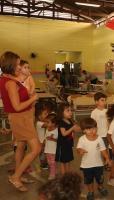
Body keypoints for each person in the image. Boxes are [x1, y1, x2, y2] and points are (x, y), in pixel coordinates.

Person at [0, 51, 40, 192]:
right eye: (17, 64)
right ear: (10, 64)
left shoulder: (8, 78)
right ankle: (16, 177)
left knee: (21, 146)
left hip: (22, 117)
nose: (19, 66)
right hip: (21, 117)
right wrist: (32, 99)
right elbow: (16, 107)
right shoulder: (10, 82)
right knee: (36, 149)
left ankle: (19, 173)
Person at [77, 118, 111, 200]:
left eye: (94, 128)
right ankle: (91, 191)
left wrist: (107, 158)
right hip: (86, 166)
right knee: (89, 180)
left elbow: (103, 149)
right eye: (89, 129)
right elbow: (78, 149)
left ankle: (100, 187)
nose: (92, 130)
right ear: (84, 130)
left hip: (98, 164)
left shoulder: (99, 139)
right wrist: (80, 151)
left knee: (100, 179)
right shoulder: (82, 139)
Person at [55, 103, 80, 175]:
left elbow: (75, 130)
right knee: (63, 162)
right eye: (67, 111)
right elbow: (64, 133)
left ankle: (68, 175)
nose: (70, 112)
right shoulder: (61, 122)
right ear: (61, 113)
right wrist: (72, 128)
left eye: (70, 110)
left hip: (68, 144)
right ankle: (64, 176)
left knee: (68, 160)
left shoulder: (70, 121)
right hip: (62, 145)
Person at [35, 103, 50, 170]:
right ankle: (43, 164)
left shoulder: (43, 122)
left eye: (47, 113)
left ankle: (46, 162)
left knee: (46, 152)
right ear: (39, 116)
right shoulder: (39, 123)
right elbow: (48, 125)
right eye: (45, 114)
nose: (47, 115)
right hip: (41, 141)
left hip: (45, 141)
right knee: (42, 153)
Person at [44, 113, 58, 180]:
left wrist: (52, 139)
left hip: (53, 150)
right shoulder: (47, 129)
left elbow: (58, 141)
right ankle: (54, 171)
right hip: (47, 149)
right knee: (49, 162)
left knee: (52, 162)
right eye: (46, 122)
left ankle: (52, 174)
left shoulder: (56, 130)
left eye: (48, 122)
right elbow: (46, 138)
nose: (46, 123)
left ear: (53, 123)